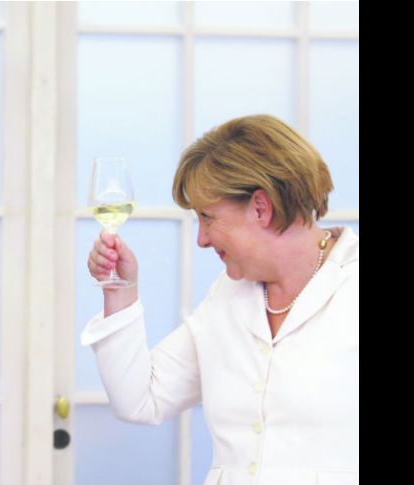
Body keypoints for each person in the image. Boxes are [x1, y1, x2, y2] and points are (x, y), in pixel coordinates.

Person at [82, 114, 358, 485]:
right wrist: (120, 290)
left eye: (208, 217)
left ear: (260, 208)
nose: (202, 239)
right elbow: (141, 400)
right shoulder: (228, 297)